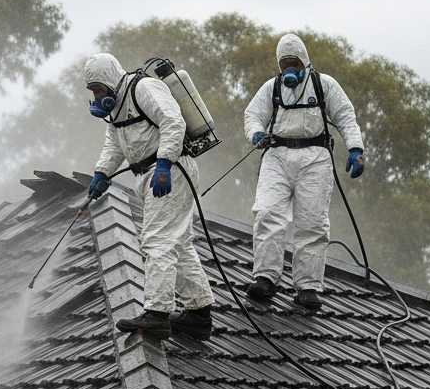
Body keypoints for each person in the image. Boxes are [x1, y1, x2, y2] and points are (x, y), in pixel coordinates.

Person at [85, 53, 214, 340]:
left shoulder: (143, 88)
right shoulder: (114, 110)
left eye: (98, 90)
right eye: (92, 92)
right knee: (177, 242)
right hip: (149, 174)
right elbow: (114, 145)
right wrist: (102, 173)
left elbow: (173, 122)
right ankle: (199, 314)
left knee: (156, 239)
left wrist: (166, 162)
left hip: (171, 169)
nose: (96, 96)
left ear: (109, 81)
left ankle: (157, 313)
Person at [243, 34, 365, 312]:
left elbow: (346, 116)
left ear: (305, 62)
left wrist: (355, 148)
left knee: (311, 221)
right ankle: (265, 277)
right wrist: (256, 133)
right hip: (276, 155)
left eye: (294, 63)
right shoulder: (272, 86)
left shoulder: (324, 85)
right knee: (267, 213)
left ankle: (308, 287)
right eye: (285, 63)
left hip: (315, 157)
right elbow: (252, 115)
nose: (290, 69)